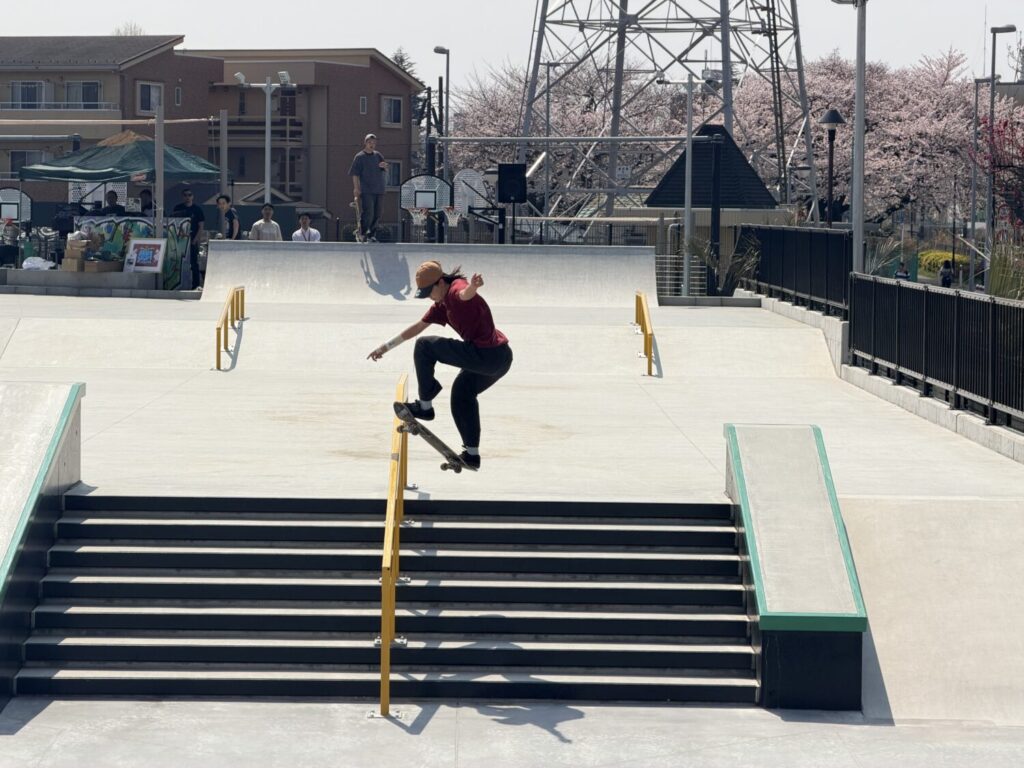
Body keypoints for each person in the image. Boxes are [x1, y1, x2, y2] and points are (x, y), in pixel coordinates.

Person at [367, 260, 513, 470]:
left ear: (441, 283)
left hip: (486, 354)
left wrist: (473, 287)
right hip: (501, 359)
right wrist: (384, 347)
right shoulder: (441, 306)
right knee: (462, 393)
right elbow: (417, 327)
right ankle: (472, 453)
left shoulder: (454, 290)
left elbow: (464, 294)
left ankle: (425, 406)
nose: (429, 297)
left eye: (430, 292)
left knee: (424, 345)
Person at [349, 133, 388, 242]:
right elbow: (355, 174)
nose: (372, 145)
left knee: (378, 213)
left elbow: (385, 168)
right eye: (370, 142)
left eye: (374, 143)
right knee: (369, 212)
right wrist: (356, 188)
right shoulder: (359, 157)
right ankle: (361, 232)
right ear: (365, 143)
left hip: (379, 189)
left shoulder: (378, 155)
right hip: (367, 190)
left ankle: (371, 234)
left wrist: (385, 166)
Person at [172, 188, 206, 288]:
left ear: (193, 196)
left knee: (194, 263)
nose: (187, 197)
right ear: (182, 197)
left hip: (192, 240)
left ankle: (196, 285)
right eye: (185, 195)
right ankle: (177, 284)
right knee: (178, 263)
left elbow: (201, 226)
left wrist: (195, 240)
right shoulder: (178, 208)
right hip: (180, 240)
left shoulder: (197, 210)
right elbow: (173, 223)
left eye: (189, 195)